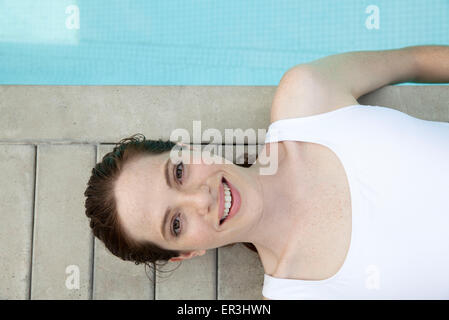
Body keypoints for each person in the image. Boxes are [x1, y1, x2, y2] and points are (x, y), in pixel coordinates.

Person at [84, 45, 449, 299]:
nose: (201, 198)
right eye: (176, 224)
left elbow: (414, 61)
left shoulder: (306, 99)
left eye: (179, 172)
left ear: (187, 149)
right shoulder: (302, 293)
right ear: (186, 253)